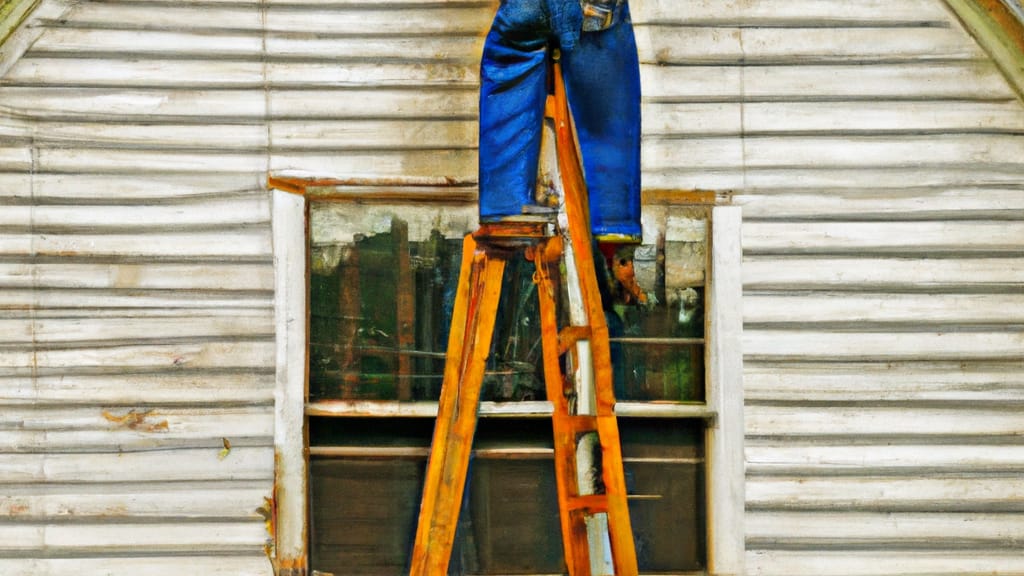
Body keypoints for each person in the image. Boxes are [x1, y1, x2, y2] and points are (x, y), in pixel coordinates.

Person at [478, 0, 642, 243]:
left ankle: (505, 206)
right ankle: (612, 220)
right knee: (607, 100)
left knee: (509, 69)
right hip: (591, 10)